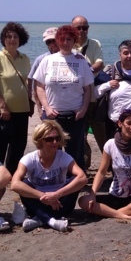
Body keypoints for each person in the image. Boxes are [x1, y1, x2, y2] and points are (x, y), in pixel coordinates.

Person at [34, 24, 94, 171]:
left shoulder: (81, 61)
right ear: (57, 41)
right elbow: (39, 86)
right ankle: (53, 178)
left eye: (69, 39)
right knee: (51, 149)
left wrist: (84, 109)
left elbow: (87, 89)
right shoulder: (48, 60)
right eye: (63, 39)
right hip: (52, 115)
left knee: (76, 151)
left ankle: (76, 182)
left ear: (74, 41)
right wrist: (46, 107)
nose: (66, 42)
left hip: (75, 116)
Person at [11, 120, 88, 232]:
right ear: (40, 140)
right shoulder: (29, 159)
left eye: (57, 138)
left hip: (61, 203)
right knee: (24, 183)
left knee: (74, 180)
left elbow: (82, 178)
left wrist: (56, 195)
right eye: (49, 139)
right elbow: (14, 184)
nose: (55, 142)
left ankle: (40, 219)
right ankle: (52, 221)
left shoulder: (63, 157)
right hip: (37, 202)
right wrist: (42, 196)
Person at [78, 109, 131, 221]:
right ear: (120, 123)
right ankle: (125, 215)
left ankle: (109, 213)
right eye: (129, 123)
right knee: (83, 201)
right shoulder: (110, 144)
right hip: (115, 195)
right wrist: (92, 193)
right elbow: (102, 172)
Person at [0, 22, 32, 175]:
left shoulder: (25, 58)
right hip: (3, 111)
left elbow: (28, 82)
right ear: (3, 39)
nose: (12, 40)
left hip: (22, 109)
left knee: (19, 145)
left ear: (21, 39)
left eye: (15, 37)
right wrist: (2, 106)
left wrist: (31, 102)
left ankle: (12, 175)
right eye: (9, 37)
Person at [72, 14, 107, 164]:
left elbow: (99, 63)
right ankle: (83, 165)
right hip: (73, 98)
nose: (81, 30)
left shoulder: (94, 44)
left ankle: (110, 164)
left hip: (92, 96)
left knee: (100, 131)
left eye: (84, 27)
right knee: (80, 134)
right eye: (78, 27)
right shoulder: (68, 45)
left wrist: (86, 72)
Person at [27, 27, 60, 116]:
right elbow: (33, 83)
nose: (52, 44)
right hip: (47, 107)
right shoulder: (41, 59)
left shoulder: (71, 57)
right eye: (48, 42)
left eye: (54, 40)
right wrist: (38, 107)